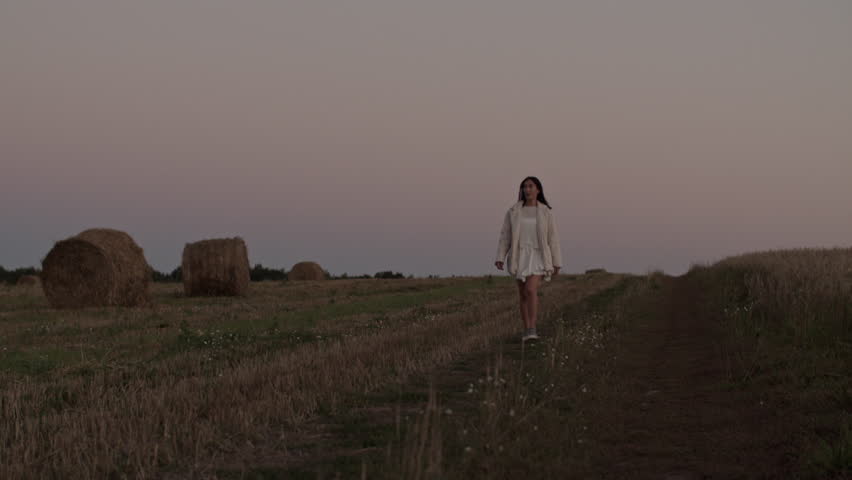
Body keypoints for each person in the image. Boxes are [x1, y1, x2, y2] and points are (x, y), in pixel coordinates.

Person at [494, 176, 563, 341]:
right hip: (520, 255)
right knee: (523, 294)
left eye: (531, 186)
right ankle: (526, 329)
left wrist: (556, 262)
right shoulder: (513, 211)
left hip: (539, 255)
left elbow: (553, 238)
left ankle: (532, 328)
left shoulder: (546, 212)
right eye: (524, 187)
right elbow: (505, 236)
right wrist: (500, 257)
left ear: (538, 189)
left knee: (531, 290)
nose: (527, 189)